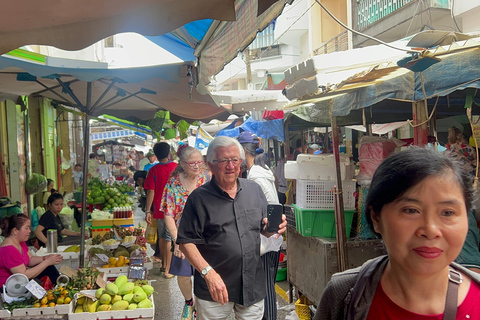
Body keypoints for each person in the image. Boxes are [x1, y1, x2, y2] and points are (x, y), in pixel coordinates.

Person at [314, 148, 480, 320]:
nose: (430, 230)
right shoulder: (343, 296)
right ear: (376, 218)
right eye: (411, 210)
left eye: (448, 213)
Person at [177, 136, 287, 320]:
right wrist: (208, 274)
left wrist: (272, 228)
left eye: (235, 160)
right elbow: (186, 242)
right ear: (210, 165)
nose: (231, 166)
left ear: (241, 162)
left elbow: (260, 229)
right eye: (223, 161)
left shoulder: (254, 189)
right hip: (214, 289)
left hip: (251, 284)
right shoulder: (198, 198)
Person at [162, 145, 209, 320]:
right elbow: (168, 214)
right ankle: (189, 303)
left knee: (203, 273)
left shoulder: (207, 180)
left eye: (199, 162)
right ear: (182, 164)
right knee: (183, 274)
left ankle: (201, 305)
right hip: (183, 236)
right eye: (192, 163)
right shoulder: (173, 184)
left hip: (205, 236)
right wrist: (176, 240)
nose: (197, 167)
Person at [238, 131, 281, 320]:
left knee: (266, 291)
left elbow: (268, 209)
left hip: (265, 241)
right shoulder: (260, 171)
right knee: (265, 288)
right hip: (269, 240)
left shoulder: (255, 176)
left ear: (242, 151)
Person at [0, 214, 63, 287]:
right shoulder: (8, 250)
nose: (29, 231)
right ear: (15, 231)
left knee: (49, 268)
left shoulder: (20, 242)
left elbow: (30, 259)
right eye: (26, 228)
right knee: (44, 272)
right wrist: (47, 262)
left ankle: (61, 287)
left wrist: (46, 258)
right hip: (12, 288)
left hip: (21, 281)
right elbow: (23, 275)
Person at [144, 142, 177, 278]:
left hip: (158, 208)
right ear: (168, 153)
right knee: (169, 237)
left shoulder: (153, 170)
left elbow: (150, 191)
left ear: (156, 155)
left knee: (162, 236)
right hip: (172, 208)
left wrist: (148, 210)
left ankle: (164, 265)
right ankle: (168, 270)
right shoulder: (176, 167)